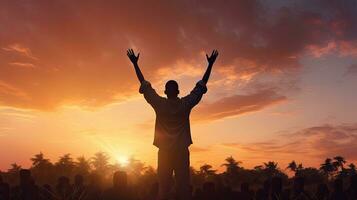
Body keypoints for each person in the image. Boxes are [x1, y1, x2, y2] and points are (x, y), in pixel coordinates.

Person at [127, 49, 219, 200]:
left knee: (163, 188)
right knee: (183, 188)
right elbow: (201, 87)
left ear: (165, 91)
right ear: (177, 91)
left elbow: (144, 85)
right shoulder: (185, 104)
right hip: (181, 152)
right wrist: (210, 65)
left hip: (164, 153)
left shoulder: (159, 104)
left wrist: (135, 64)